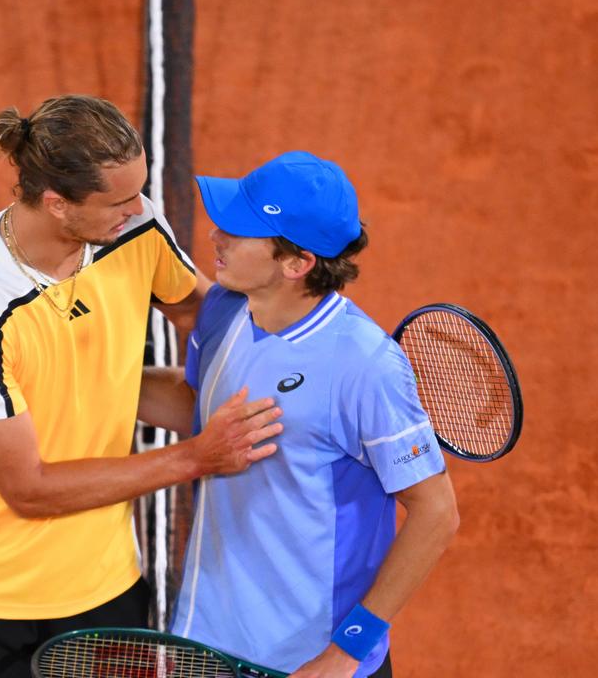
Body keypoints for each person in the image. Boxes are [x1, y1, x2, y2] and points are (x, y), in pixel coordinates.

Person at [0, 94, 283, 678]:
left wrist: (308, 361)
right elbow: (28, 489)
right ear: (57, 203)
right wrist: (195, 455)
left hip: (109, 589)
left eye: (139, 191)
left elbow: (203, 315)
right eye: (120, 199)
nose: (138, 209)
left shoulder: (131, 228)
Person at [138, 151, 460, 677]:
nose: (217, 235)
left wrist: (345, 652)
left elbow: (436, 513)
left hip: (305, 660)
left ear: (296, 263)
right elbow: (201, 406)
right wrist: (92, 381)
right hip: (207, 641)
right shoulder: (225, 309)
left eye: (240, 231)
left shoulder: (363, 365)